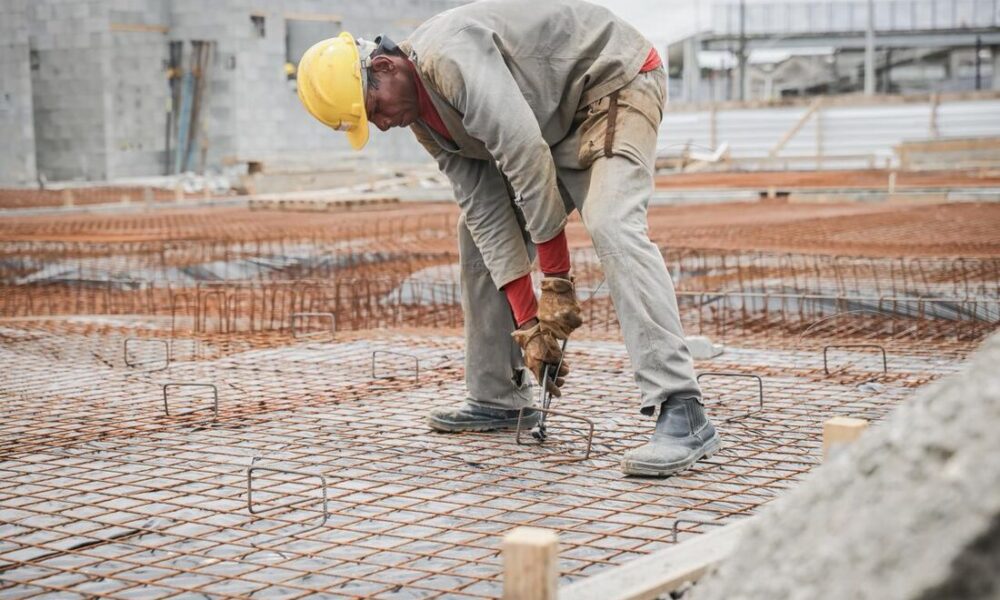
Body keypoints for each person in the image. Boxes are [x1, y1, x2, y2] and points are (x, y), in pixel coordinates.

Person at [295, 0, 719, 476]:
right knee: (474, 233)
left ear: (384, 67)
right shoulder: (422, 117)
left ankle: (682, 407)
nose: (381, 124)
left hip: (612, 83)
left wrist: (556, 283)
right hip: (552, 117)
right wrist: (530, 323)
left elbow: (524, 155)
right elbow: (485, 208)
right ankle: (499, 395)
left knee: (611, 221)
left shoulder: (449, 58)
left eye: (375, 109)